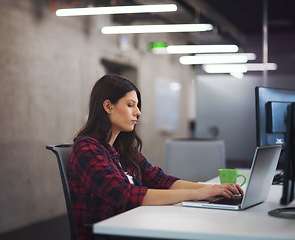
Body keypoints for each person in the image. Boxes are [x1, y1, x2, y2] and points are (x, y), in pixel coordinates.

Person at [68, 74, 244, 240]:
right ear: (108, 106)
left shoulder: (123, 149)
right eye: (130, 105)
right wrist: (197, 194)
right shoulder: (87, 148)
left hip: (134, 226)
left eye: (137, 106)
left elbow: (160, 180)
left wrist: (212, 189)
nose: (138, 112)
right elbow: (124, 195)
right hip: (110, 233)